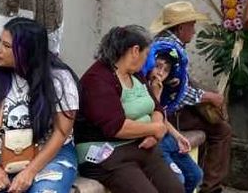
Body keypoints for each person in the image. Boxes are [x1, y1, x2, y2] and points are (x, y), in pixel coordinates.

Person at [0, 18, 79, 193]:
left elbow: (62, 131)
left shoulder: (60, 78)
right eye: (0, 42)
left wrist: (30, 171)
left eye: (7, 46)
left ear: (28, 51)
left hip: (49, 155)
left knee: (45, 191)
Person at [76, 25, 182, 193]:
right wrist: (156, 128)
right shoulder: (97, 79)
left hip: (140, 146)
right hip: (107, 154)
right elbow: (116, 127)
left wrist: (155, 133)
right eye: (146, 54)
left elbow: (156, 107)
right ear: (135, 51)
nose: (149, 61)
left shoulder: (136, 74)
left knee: (175, 189)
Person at [149, 1, 231, 193]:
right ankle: (211, 188)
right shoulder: (169, 50)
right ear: (180, 27)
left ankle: (207, 183)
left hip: (165, 113)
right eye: (192, 25)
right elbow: (180, 92)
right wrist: (208, 97)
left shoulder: (166, 44)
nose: (194, 31)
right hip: (168, 114)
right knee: (221, 130)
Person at [145, 51, 203, 193]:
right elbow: (154, 119)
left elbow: (163, 118)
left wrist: (178, 136)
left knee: (195, 175)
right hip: (156, 142)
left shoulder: (161, 87)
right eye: (158, 66)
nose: (161, 72)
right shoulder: (143, 84)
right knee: (178, 179)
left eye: (166, 70)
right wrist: (156, 94)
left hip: (167, 138)